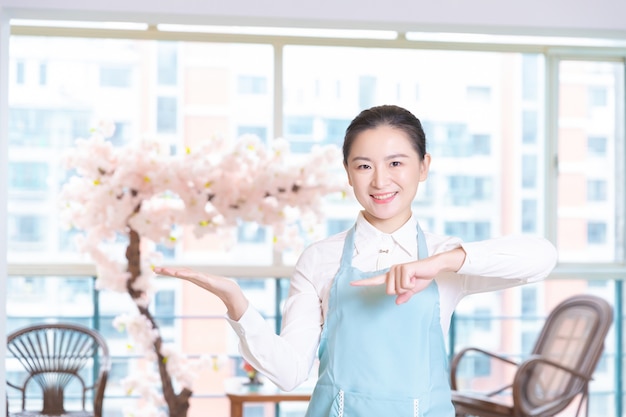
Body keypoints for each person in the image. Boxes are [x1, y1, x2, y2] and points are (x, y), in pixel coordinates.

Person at [154, 104, 558, 417]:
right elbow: (291, 372)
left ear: (424, 167)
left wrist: (439, 263)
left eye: (396, 163)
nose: (380, 181)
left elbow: (542, 258)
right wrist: (237, 303)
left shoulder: (448, 259)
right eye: (364, 166)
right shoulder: (320, 258)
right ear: (348, 173)